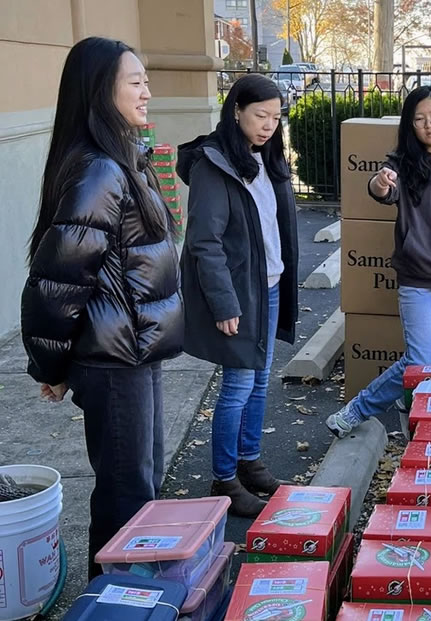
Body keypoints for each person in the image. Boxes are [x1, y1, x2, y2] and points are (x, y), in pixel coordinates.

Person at [20, 37, 183, 578]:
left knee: (141, 486)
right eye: (135, 82)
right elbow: (58, 281)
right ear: (99, 92)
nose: (147, 92)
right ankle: (112, 600)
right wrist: (51, 366)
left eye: (145, 81)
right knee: (125, 496)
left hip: (136, 351)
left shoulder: (125, 161)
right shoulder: (100, 171)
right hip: (113, 360)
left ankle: (136, 595)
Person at [326, 86, 431, 437]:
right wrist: (380, 181)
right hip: (417, 282)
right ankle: (357, 410)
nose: (429, 124)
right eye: (419, 119)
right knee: (419, 360)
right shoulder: (402, 165)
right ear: (410, 125)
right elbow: (380, 190)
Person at [177, 74, 299, 517]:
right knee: (238, 385)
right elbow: (204, 243)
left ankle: (250, 461)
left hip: (268, 287)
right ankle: (224, 477)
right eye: (260, 115)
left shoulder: (265, 158)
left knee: (259, 381)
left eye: (276, 118)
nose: (268, 125)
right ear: (236, 111)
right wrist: (224, 303)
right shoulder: (214, 165)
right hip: (240, 294)